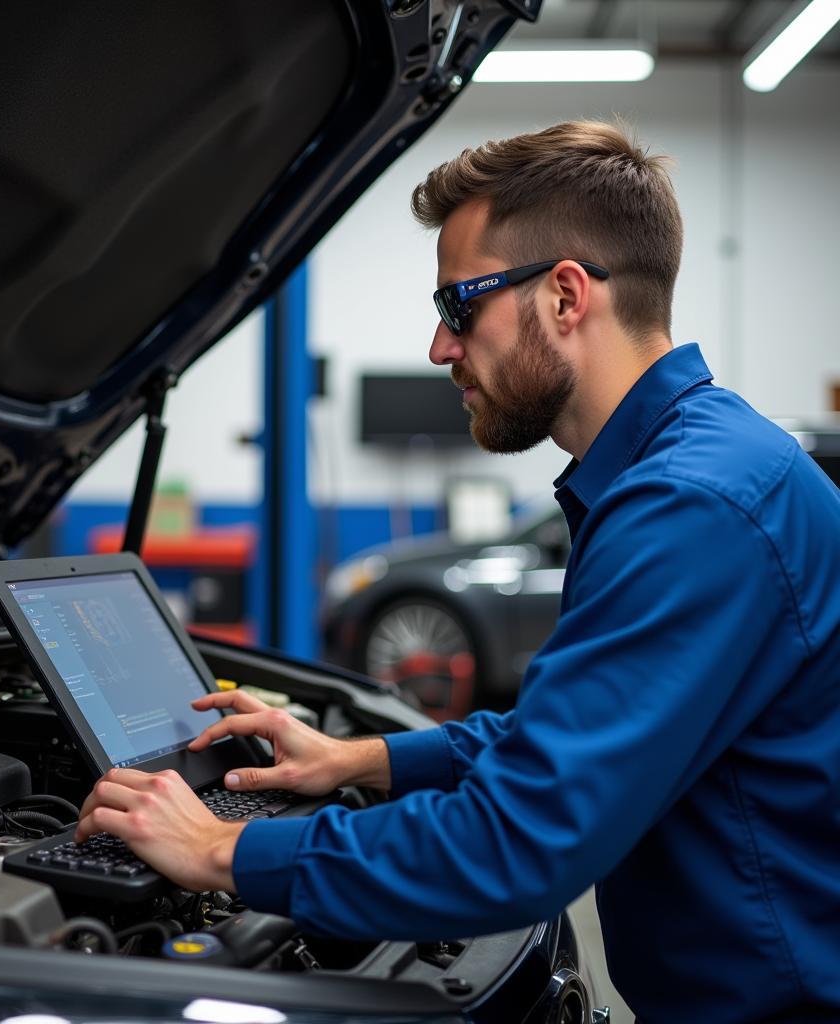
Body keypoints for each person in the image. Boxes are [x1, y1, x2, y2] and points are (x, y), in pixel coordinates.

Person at [76, 121, 840, 1022]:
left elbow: (518, 844)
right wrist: (355, 760)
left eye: (457, 309)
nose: (442, 350)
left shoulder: (691, 507)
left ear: (564, 296)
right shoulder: (695, 468)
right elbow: (575, 736)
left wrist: (216, 852)